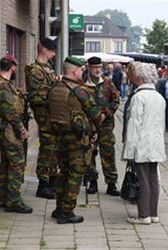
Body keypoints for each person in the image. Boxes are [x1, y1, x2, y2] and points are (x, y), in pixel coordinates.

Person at [48, 56, 106, 224]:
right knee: (75, 174)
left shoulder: (55, 88)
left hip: (59, 138)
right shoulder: (79, 91)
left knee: (63, 172)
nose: (83, 72)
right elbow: (97, 116)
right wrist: (104, 114)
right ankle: (67, 212)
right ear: (74, 71)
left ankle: (59, 208)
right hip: (77, 140)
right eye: (81, 70)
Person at [122, 62, 166, 225]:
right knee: (153, 178)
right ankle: (153, 213)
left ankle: (144, 215)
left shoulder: (138, 97)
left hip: (141, 143)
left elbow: (134, 124)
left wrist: (129, 150)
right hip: (155, 143)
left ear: (140, 77)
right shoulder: (159, 97)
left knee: (142, 179)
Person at [0, 56, 32, 213]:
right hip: (8, 129)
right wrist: (22, 129)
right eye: (16, 67)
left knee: (6, 163)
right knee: (17, 162)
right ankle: (13, 201)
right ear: (12, 67)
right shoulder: (3, 87)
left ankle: (4, 197)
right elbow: (9, 111)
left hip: (2, 128)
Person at [25, 38, 58, 199]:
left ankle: (52, 181)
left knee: (53, 149)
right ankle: (42, 185)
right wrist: (54, 93)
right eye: (52, 50)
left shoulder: (47, 68)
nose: (54, 53)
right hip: (44, 115)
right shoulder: (35, 71)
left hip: (52, 115)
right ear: (45, 50)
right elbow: (35, 97)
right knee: (47, 149)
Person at [83, 57, 120, 196]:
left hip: (105, 125)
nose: (98, 70)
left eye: (99, 67)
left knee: (108, 153)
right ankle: (92, 181)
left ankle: (111, 183)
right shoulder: (83, 85)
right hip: (89, 125)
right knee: (89, 152)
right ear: (88, 68)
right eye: (94, 67)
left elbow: (115, 101)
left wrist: (106, 114)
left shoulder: (108, 83)